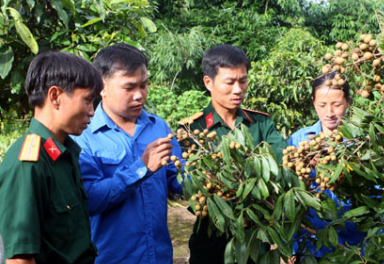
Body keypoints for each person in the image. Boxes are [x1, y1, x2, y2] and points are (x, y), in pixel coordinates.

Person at [73, 43, 184, 264]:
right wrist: (142, 168)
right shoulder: (83, 136)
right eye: (129, 87)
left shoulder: (158, 127)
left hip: (159, 256)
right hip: (111, 258)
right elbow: (90, 200)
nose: (139, 95)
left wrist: (205, 179)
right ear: (101, 87)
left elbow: (176, 179)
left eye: (144, 85)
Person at [178, 44, 288, 264]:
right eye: (230, 82)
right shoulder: (191, 131)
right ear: (208, 83)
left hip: (254, 238)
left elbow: (283, 165)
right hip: (210, 238)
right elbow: (191, 185)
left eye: (243, 80)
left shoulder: (261, 123)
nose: (238, 89)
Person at [0, 51, 102, 264]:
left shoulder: (64, 154)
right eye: (87, 101)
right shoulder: (28, 163)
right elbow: (20, 259)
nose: (92, 111)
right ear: (55, 96)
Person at [288, 72, 365, 259]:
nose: (329, 112)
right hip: (311, 246)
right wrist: (292, 249)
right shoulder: (299, 140)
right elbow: (292, 198)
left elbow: (374, 198)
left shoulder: (361, 141)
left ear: (348, 101)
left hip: (353, 246)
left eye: (337, 104)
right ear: (313, 102)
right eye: (322, 105)